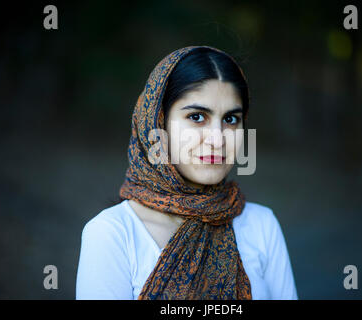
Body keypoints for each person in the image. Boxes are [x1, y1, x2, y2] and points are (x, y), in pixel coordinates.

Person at [76, 46, 298, 300]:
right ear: (158, 124)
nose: (217, 139)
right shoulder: (112, 234)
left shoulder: (261, 226)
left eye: (230, 119)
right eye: (196, 116)